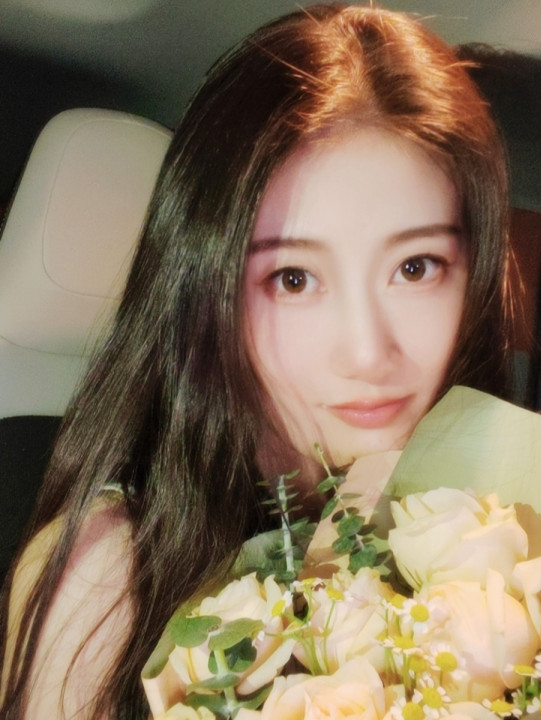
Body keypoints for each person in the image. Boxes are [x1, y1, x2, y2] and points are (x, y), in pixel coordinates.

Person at [0, 4, 511, 718]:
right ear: (206, 293)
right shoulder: (106, 576)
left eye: (416, 267)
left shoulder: (493, 543)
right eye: (293, 279)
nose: (369, 353)